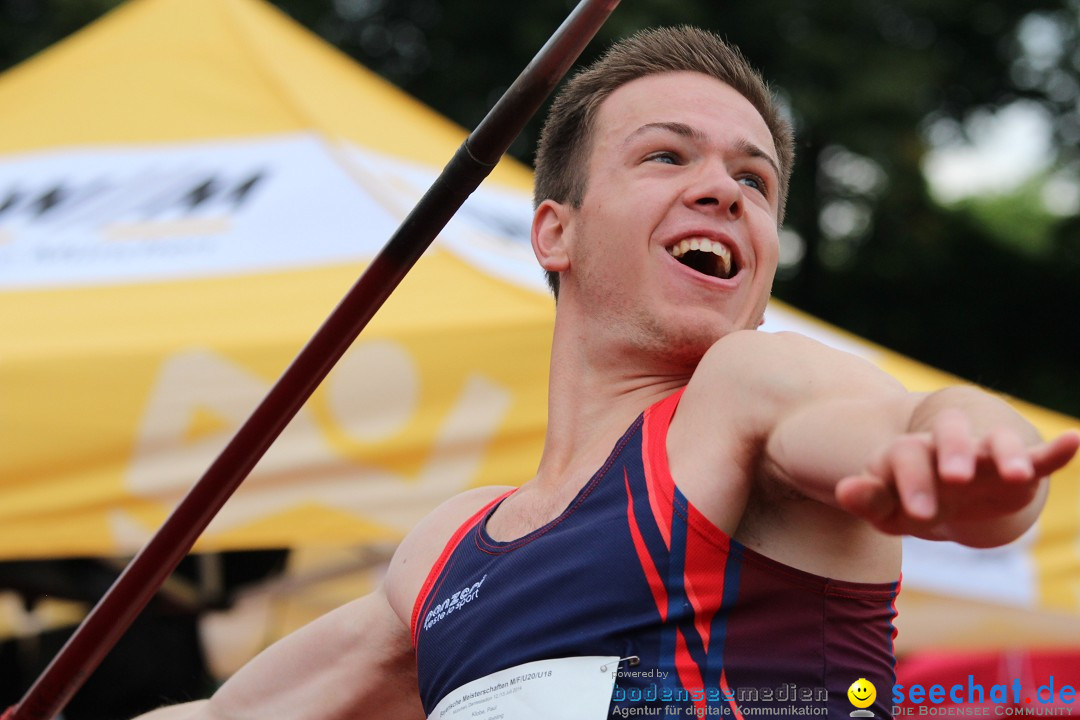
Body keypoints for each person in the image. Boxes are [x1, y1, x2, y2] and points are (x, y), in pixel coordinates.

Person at [132, 26, 1078, 720]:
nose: (721, 188)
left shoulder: (745, 393)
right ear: (557, 231)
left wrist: (966, 443)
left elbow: (908, 426)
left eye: (754, 181)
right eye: (666, 155)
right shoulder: (444, 554)